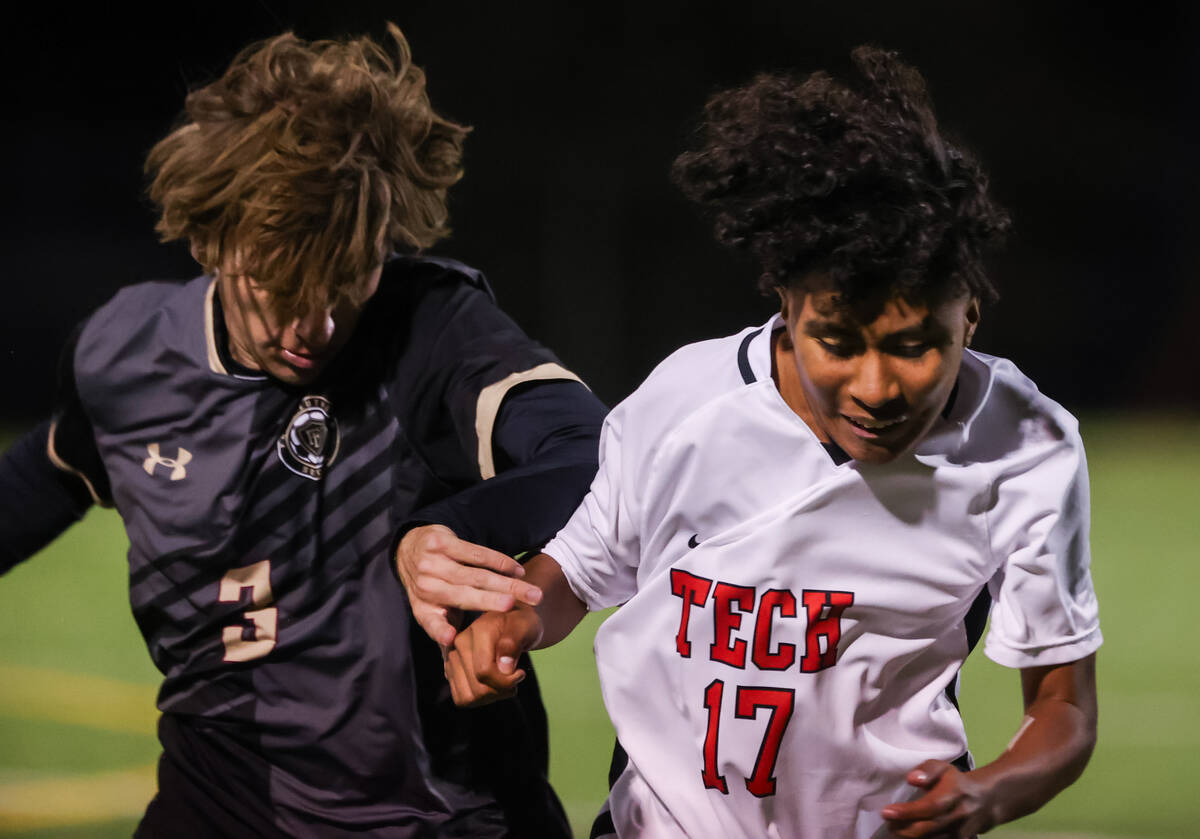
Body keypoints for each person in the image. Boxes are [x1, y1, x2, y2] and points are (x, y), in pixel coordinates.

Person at [444, 47, 1101, 839]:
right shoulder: (686, 401)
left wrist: (987, 792)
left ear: (971, 318)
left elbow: (1063, 707)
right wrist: (516, 622)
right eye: (837, 340)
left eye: (915, 344)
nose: (875, 386)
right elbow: (577, 572)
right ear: (786, 304)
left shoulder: (1027, 448)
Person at [0, 24, 608, 838]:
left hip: (434, 819)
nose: (315, 323)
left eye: (345, 276)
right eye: (282, 284)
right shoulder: (128, 355)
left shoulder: (431, 329)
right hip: (214, 807)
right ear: (210, 239)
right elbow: (47, 477)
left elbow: (594, 450)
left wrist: (448, 530)